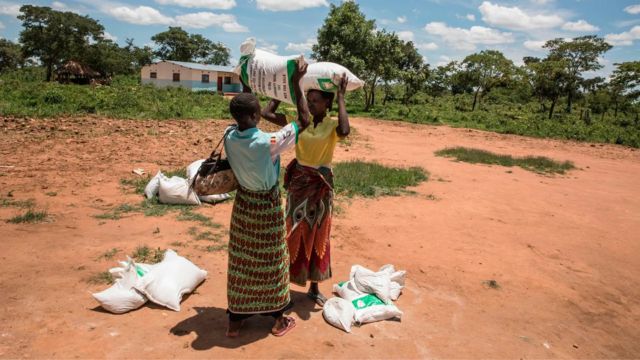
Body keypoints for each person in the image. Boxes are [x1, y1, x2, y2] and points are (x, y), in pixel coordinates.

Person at [224, 60, 310, 337]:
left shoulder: (228, 135)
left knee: (242, 260)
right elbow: (304, 121)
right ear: (255, 114)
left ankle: (236, 320)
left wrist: (249, 81)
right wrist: (295, 81)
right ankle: (278, 318)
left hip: (243, 205)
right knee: (272, 260)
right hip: (266, 206)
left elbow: (245, 104)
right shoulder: (268, 144)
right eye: (258, 109)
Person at [262, 74, 350, 306]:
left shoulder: (332, 126)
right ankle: (286, 288)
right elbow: (267, 114)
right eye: (308, 100)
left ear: (327, 104)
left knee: (319, 232)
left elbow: (345, 130)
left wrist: (341, 97)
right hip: (300, 182)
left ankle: (314, 286)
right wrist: (283, 92)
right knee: (292, 231)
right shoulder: (300, 123)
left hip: (321, 185)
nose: (310, 105)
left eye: (315, 101)